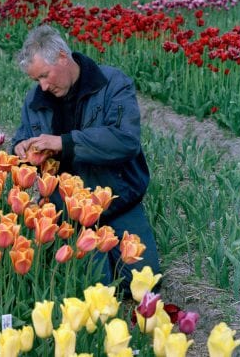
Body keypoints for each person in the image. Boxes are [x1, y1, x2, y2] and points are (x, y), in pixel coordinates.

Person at [12, 24, 160, 296]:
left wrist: (64, 143)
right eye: (37, 80)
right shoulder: (36, 98)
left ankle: (111, 250)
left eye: (45, 75)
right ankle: (92, 256)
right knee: (94, 288)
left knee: (145, 284)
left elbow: (125, 140)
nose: (43, 86)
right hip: (69, 211)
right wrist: (21, 149)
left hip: (117, 199)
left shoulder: (112, 84)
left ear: (62, 57)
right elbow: (21, 139)